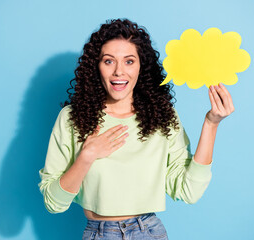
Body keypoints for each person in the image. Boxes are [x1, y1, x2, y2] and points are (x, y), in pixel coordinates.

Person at [38, 18, 234, 240]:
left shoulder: (162, 117)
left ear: (142, 66)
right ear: (96, 66)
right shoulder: (72, 118)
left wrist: (211, 124)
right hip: (99, 233)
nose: (119, 72)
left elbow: (188, 191)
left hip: (148, 232)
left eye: (129, 61)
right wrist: (87, 155)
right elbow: (53, 203)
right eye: (109, 61)